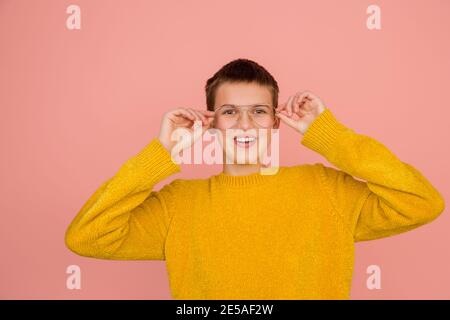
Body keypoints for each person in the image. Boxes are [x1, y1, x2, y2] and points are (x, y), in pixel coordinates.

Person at [64, 58, 445, 299]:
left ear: (276, 122)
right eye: (230, 111)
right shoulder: (177, 203)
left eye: (259, 111)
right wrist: (162, 152)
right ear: (210, 123)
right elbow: (86, 236)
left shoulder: (326, 189)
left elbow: (421, 201)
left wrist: (329, 134)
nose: (245, 124)